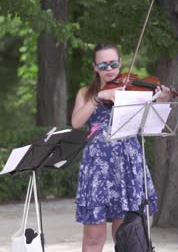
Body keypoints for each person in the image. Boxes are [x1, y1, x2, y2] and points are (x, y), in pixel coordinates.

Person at [71, 42, 172, 251]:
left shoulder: (133, 90)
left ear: (120, 63)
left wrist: (162, 100)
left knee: (126, 234)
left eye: (114, 64)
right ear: (94, 67)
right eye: (103, 65)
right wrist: (98, 98)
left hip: (127, 163)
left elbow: (151, 122)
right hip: (98, 166)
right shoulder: (86, 92)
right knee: (93, 237)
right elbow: (76, 122)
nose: (109, 69)